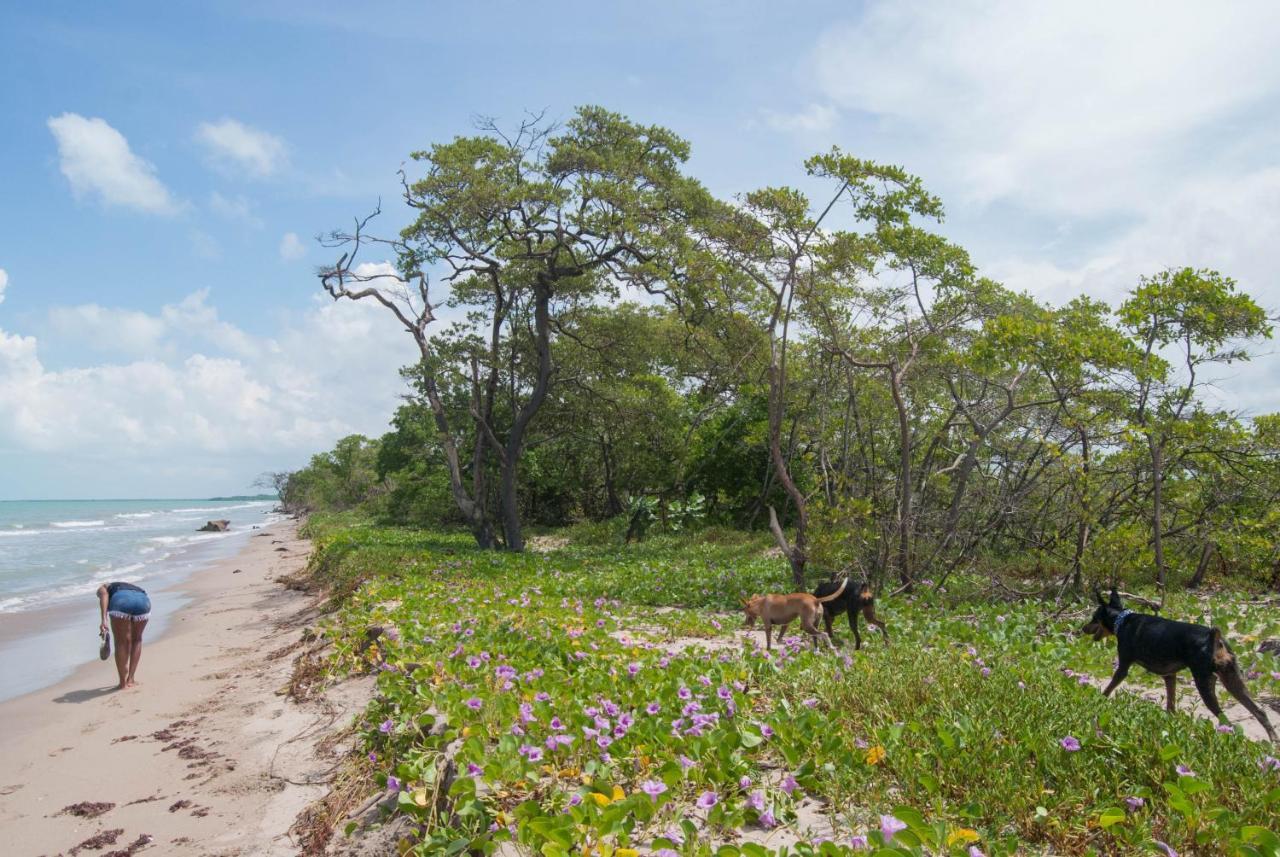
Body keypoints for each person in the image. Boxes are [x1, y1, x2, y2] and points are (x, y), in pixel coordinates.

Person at [97, 581, 151, 690]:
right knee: (137, 639)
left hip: (121, 601)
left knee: (121, 642)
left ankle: (122, 683)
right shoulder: (131, 587)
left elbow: (103, 594)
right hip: (143, 601)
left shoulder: (104, 587)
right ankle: (130, 679)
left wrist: (104, 620)